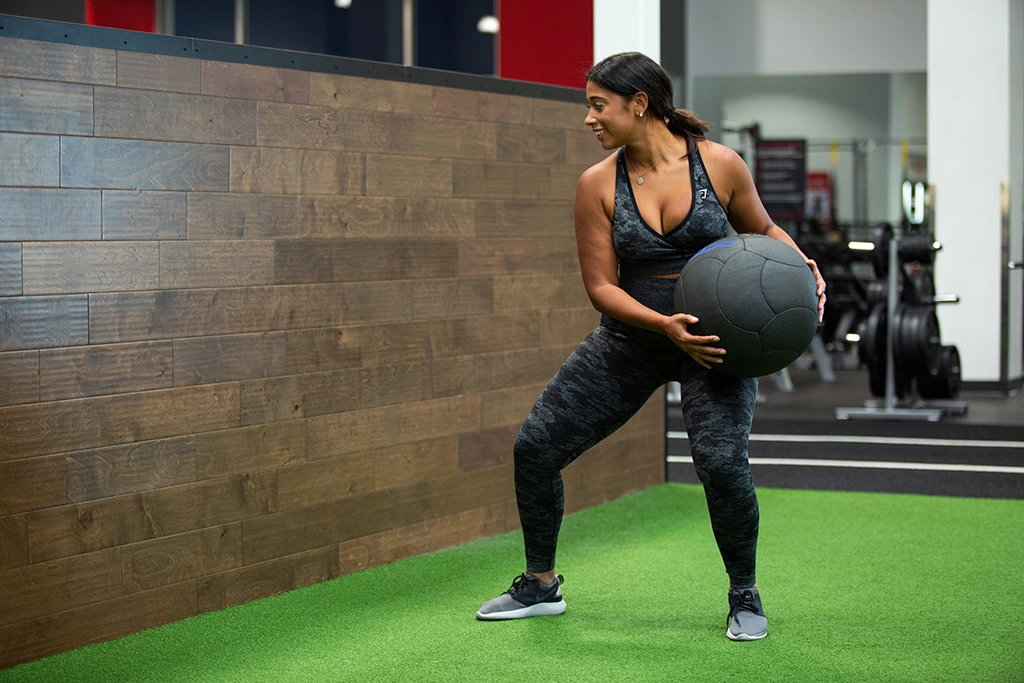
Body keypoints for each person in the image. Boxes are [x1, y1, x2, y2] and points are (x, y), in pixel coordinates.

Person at [475, 52, 826, 641]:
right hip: (634, 340)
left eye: (597, 105)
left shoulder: (719, 166)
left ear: (639, 104)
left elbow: (762, 231)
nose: (589, 118)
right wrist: (663, 326)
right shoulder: (596, 184)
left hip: (718, 345)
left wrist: (799, 267)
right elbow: (600, 288)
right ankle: (540, 584)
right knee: (535, 448)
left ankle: (745, 594)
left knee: (719, 462)